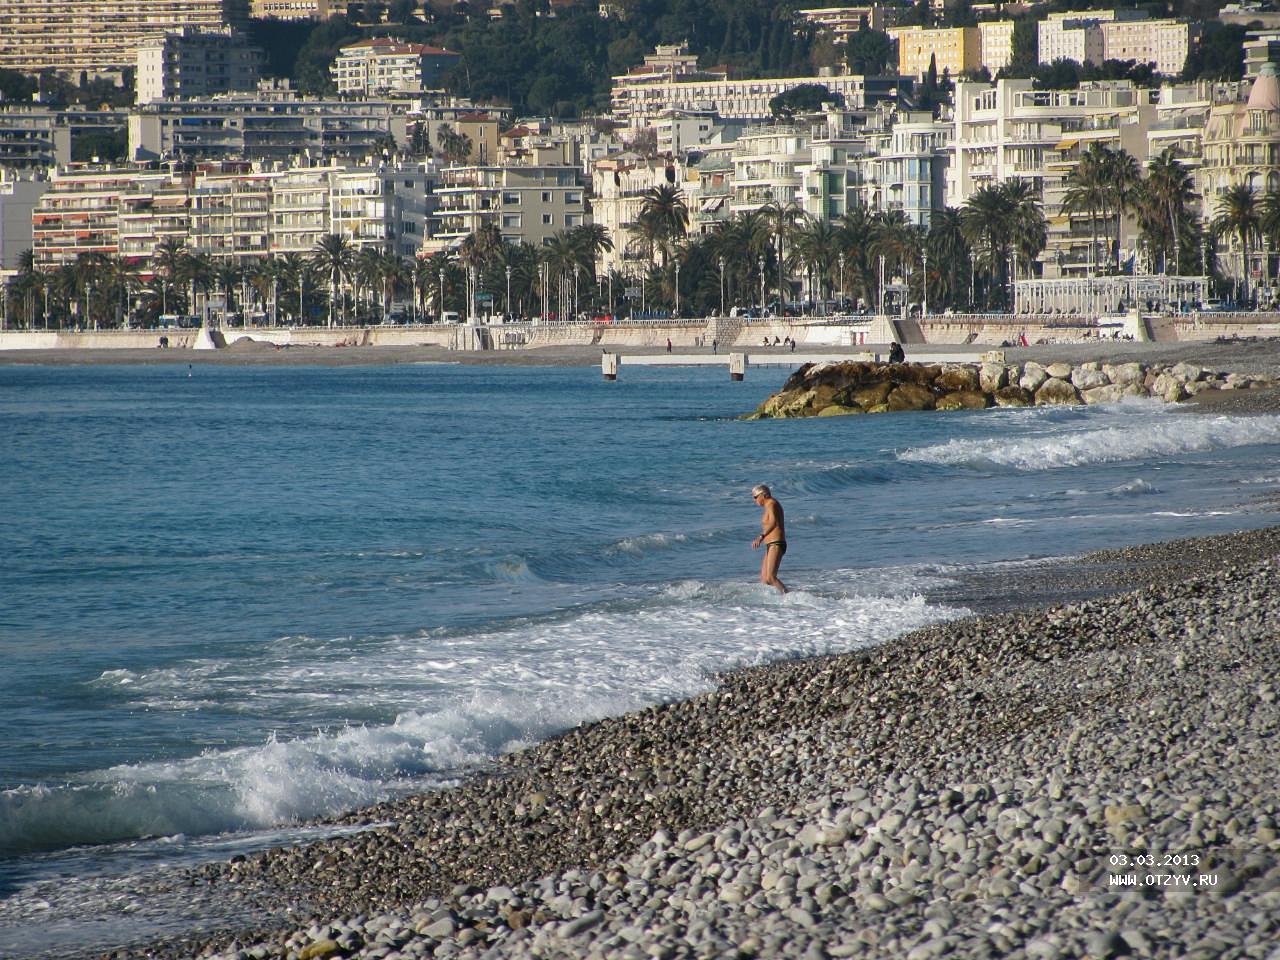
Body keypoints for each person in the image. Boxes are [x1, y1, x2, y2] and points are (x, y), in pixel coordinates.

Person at [751, 484, 788, 594]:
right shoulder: (769, 505)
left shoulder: (771, 504)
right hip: (771, 544)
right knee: (764, 579)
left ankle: (790, 597)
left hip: (776, 543)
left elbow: (773, 522)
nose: (755, 500)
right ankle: (768, 606)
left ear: (764, 495)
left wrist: (761, 536)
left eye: (755, 497)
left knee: (771, 577)